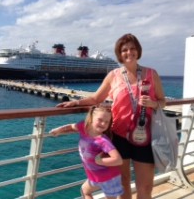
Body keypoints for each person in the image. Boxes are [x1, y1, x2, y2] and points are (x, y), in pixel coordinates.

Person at [56, 33, 166, 199]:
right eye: (124, 50)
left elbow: (162, 101)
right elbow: (95, 98)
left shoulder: (151, 74)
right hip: (118, 136)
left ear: (138, 51)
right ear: (119, 54)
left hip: (144, 136)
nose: (129, 52)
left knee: (146, 186)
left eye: (132, 48)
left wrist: (153, 104)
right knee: (123, 182)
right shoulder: (114, 75)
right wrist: (75, 103)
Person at [50, 105, 123, 199]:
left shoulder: (102, 141)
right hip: (95, 176)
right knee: (85, 190)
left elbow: (118, 160)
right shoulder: (83, 127)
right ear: (91, 118)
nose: (103, 124)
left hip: (109, 178)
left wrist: (99, 161)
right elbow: (72, 126)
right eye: (100, 120)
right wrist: (58, 130)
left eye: (107, 122)